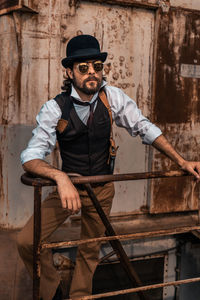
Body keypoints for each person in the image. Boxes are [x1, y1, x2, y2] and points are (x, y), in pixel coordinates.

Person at [17, 34, 200, 300]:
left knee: (90, 251)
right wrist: (60, 178)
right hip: (71, 189)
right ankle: (52, 292)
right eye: (83, 67)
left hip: (102, 190)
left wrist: (181, 161)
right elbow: (30, 156)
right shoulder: (55, 109)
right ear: (69, 71)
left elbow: (144, 127)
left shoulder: (111, 97)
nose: (92, 72)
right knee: (27, 241)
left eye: (97, 66)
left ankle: (79, 297)